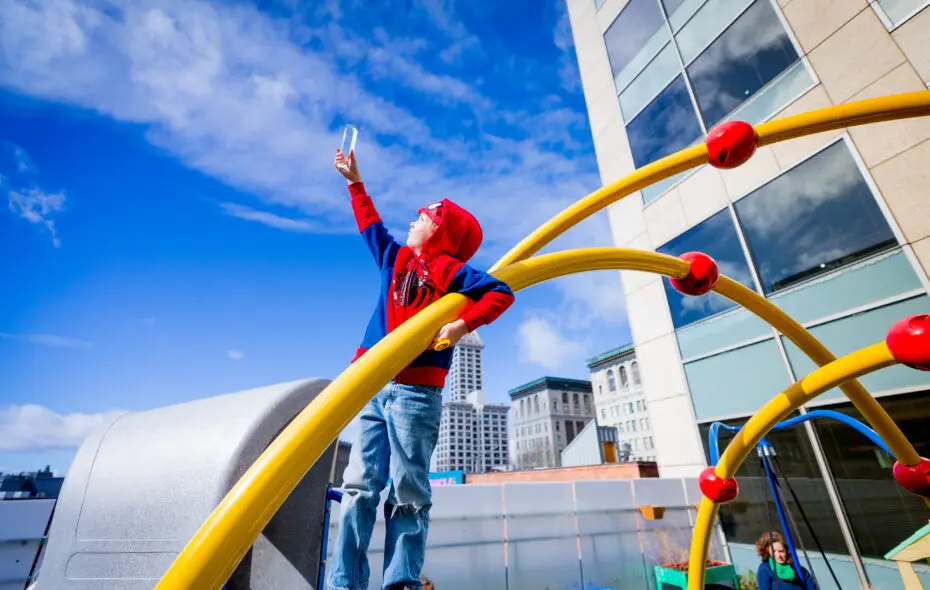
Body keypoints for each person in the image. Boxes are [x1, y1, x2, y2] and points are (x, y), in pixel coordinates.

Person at [327, 148, 515, 590]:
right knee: (358, 487)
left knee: (408, 492)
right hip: (373, 383)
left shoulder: (450, 270)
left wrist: (459, 324)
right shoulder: (394, 258)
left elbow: (500, 292)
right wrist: (355, 182)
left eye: (421, 218)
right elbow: (369, 223)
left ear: (438, 231)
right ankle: (344, 583)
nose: (411, 221)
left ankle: (401, 583)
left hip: (415, 394)